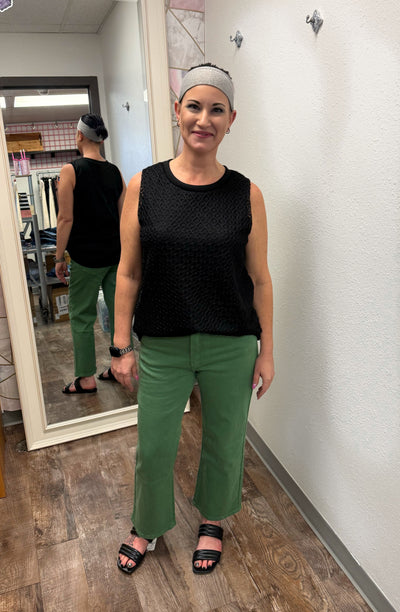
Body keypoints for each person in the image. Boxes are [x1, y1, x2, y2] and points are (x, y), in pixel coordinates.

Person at [113, 63, 274, 575]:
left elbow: (261, 279)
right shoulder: (144, 186)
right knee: (154, 447)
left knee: (225, 442)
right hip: (163, 344)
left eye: (217, 110)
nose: (204, 120)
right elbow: (128, 272)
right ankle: (147, 524)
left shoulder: (246, 194)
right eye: (194, 107)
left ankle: (212, 520)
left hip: (232, 344)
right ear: (177, 110)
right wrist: (121, 345)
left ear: (231, 119)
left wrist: (267, 351)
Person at [54, 113, 126, 394]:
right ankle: (119, 367)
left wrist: (58, 257)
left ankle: (85, 378)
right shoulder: (115, 172)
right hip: (115, 255)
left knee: (82, 316)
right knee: (119, 314)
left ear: (80, 135)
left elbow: (65, 219)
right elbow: (123, 218)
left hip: (85, 258)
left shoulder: (70, 170)